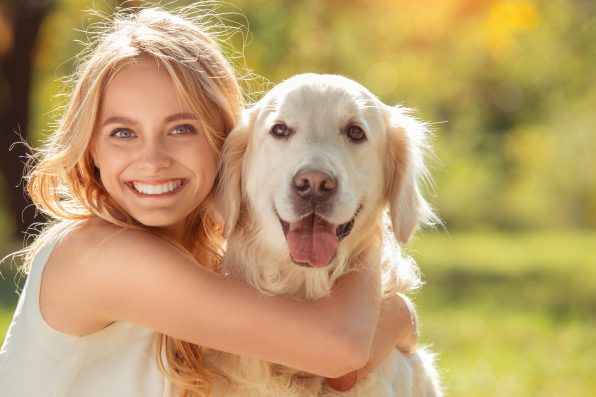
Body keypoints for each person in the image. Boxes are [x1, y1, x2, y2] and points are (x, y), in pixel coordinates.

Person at [0, 6, 418, 397]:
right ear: (90, 148)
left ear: (224, 143)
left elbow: (335, 365)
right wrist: (371, 236)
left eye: (181, 129)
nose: (152, 160)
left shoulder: (214, 262)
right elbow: (338, 350)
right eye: (123, 133)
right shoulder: (99, 255)